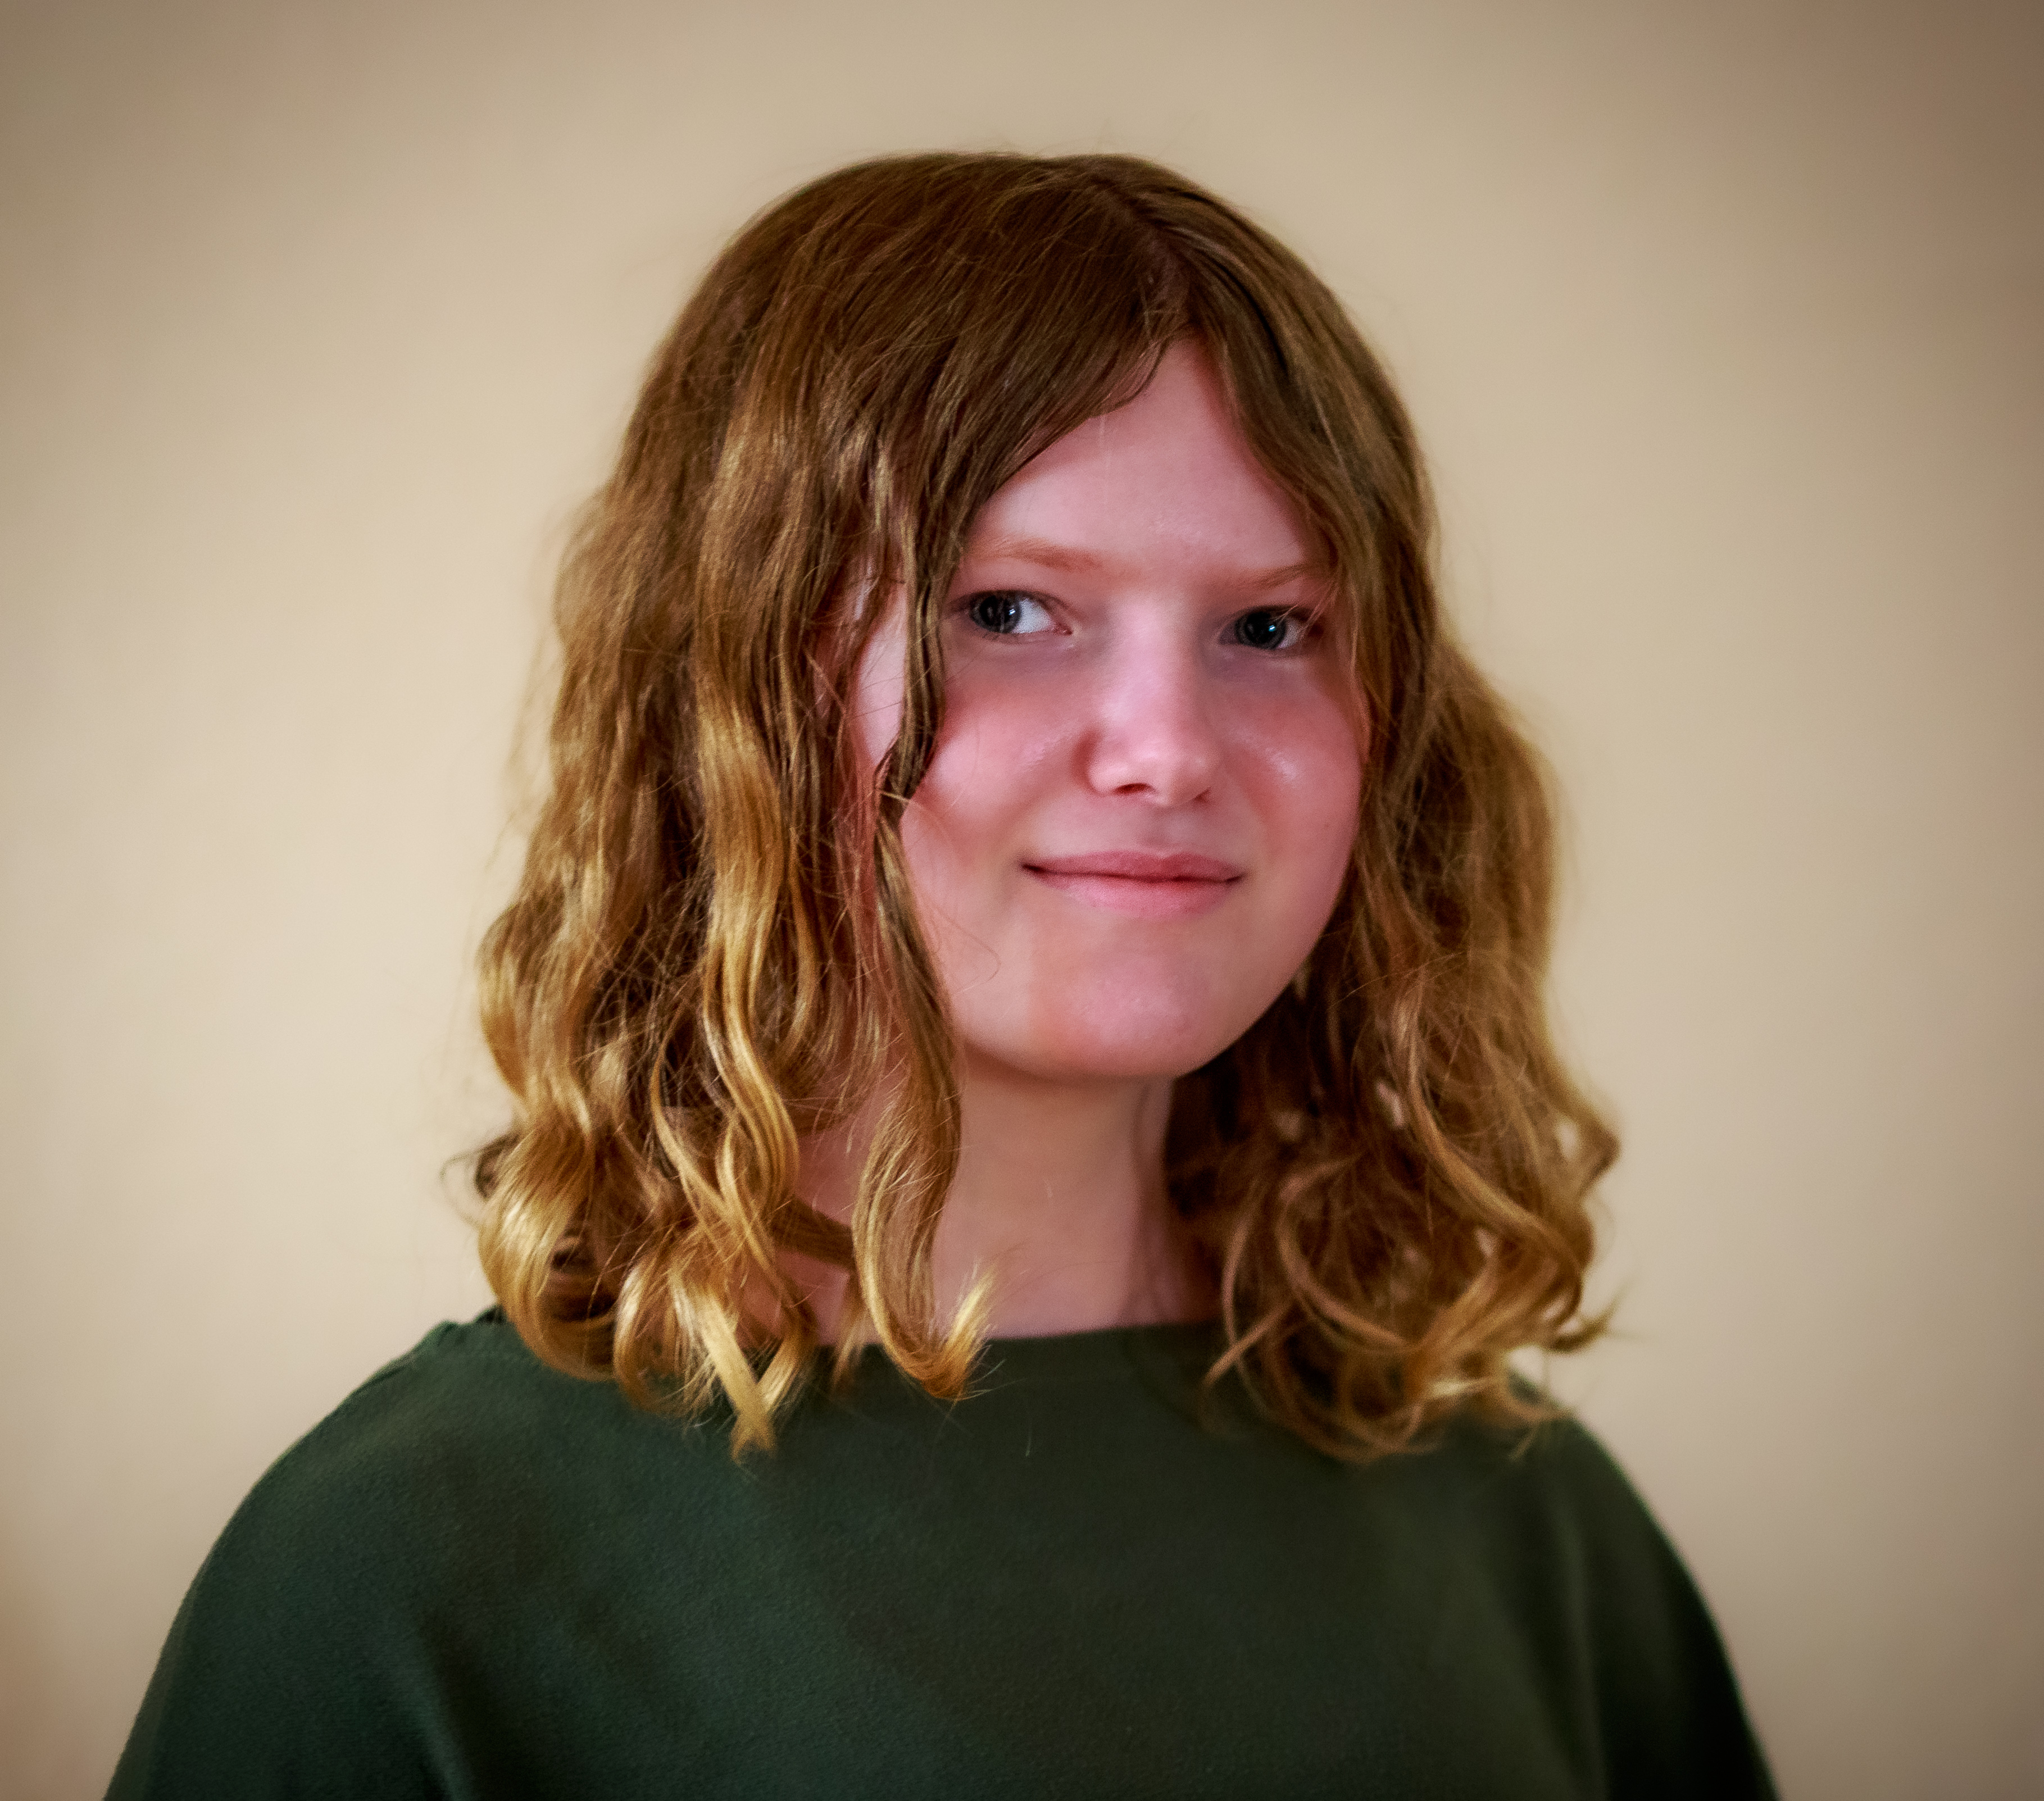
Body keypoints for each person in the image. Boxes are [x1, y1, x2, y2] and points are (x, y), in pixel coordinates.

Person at [109, 152, 1775, 1798]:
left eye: (1272, 630)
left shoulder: (1523, 1519)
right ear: (733, 696)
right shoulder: (408, 1578)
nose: (1167, 750)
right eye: (1010, 609)